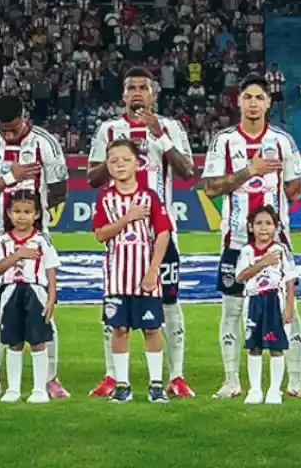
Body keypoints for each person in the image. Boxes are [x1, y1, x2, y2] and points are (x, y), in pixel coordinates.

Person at [86, 67, 197, 398]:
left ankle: (176, 376)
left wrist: (158, 135)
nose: (137, 93)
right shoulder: (109, 129)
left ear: (153, 93)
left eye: (143, 88)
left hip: (160, 233)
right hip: (121, 236)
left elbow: (188, 172)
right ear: (123, 95)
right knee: (114, 307)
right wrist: (118, 158)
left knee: (170, 303)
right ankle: (112, 376)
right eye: (131, 87)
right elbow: (92, 178)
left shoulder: (171, 127)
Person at [202, 74, 301, 399]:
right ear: (238, 101)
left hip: (277, 245)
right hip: (236, 242)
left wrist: (277, 206)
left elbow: (296, 185)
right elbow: (210, 188)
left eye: (259, 97)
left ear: (268, 103)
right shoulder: (223, 141)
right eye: (247, 97)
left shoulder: (282, 140)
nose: (253, 103)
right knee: (233, 310)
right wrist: (249, 171)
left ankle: (295, 381)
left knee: (288, 308)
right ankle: (232, 381)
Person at [0, 95, 69, 400]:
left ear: (25, 116)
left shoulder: (45, 143)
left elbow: (60, 190)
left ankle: (50, 378)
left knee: (43, 307)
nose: (8, 134)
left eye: (13, 127)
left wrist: (31, 215)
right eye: (3, 128)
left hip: (37, 238)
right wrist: (11, 177)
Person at [92, 139, 173, 403]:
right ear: (107, 165)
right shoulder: (105, 198)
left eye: (125, 160)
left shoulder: (150, 197)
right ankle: (122, 385)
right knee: (119, 329)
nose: (120, 165)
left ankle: (156, 385)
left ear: (137, 164)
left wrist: (153, 271)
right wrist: (127, 218)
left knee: (151, 329)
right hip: (116, 279)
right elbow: (100, 234)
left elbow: (163, 234)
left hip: (145, 277)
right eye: (113, 161)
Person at [0, 192, 60, 404]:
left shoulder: (41, 240)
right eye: (17, 211)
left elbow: (50, 271)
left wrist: (51, 299)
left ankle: (39, 389)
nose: (22, 216)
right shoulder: (2, 241)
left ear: (36, 214)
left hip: (35, 291)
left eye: (27, 212)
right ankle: (13, 389)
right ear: (9, 214)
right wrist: (18, 255)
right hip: (10, 292)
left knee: (38, 340)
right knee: (14, 341)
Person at [236, 206, 298, 405]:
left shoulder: (281, 250)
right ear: (250, 227)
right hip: (253, 301)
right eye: (259, 223)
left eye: (268, 223)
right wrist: (262, 263)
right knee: (254, 345)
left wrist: (289, 306)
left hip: (275, 301)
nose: (263, 228)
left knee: (276, 346)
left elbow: (290, 279)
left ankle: (274, 390)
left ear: (276, 227)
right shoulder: (246, 251)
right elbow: (240, 276)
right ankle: (255, 390)